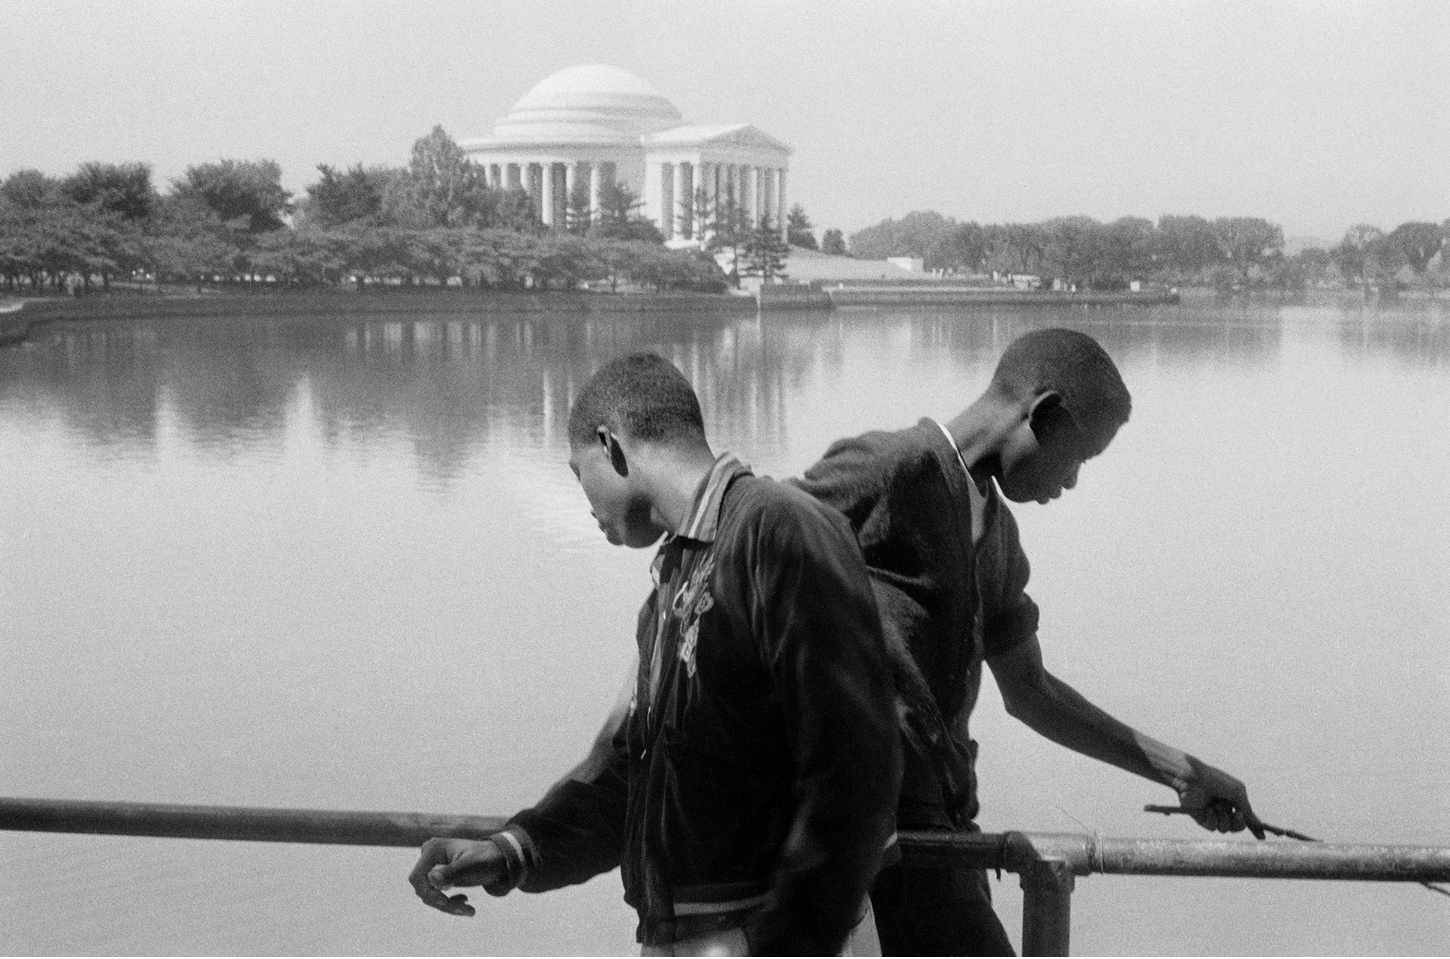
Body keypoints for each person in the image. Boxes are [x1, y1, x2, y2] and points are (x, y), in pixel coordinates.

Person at [408, 352, 902, 956]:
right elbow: (628, 770)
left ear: (610, 444)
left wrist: (781, 943)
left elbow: (859, 771)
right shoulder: (673, 582)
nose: (586, 504)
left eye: (577, 472)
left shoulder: (779, 529)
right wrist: (513, 850)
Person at [791, 327, 1265, 956]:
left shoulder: (998, 538)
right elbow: (737, 554)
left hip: (943, 836)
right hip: (856, 835)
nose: (1070, 483)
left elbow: (1031, 693)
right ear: (1040, 414)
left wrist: (1181, 772)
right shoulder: (886, 469)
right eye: (1078, 458)